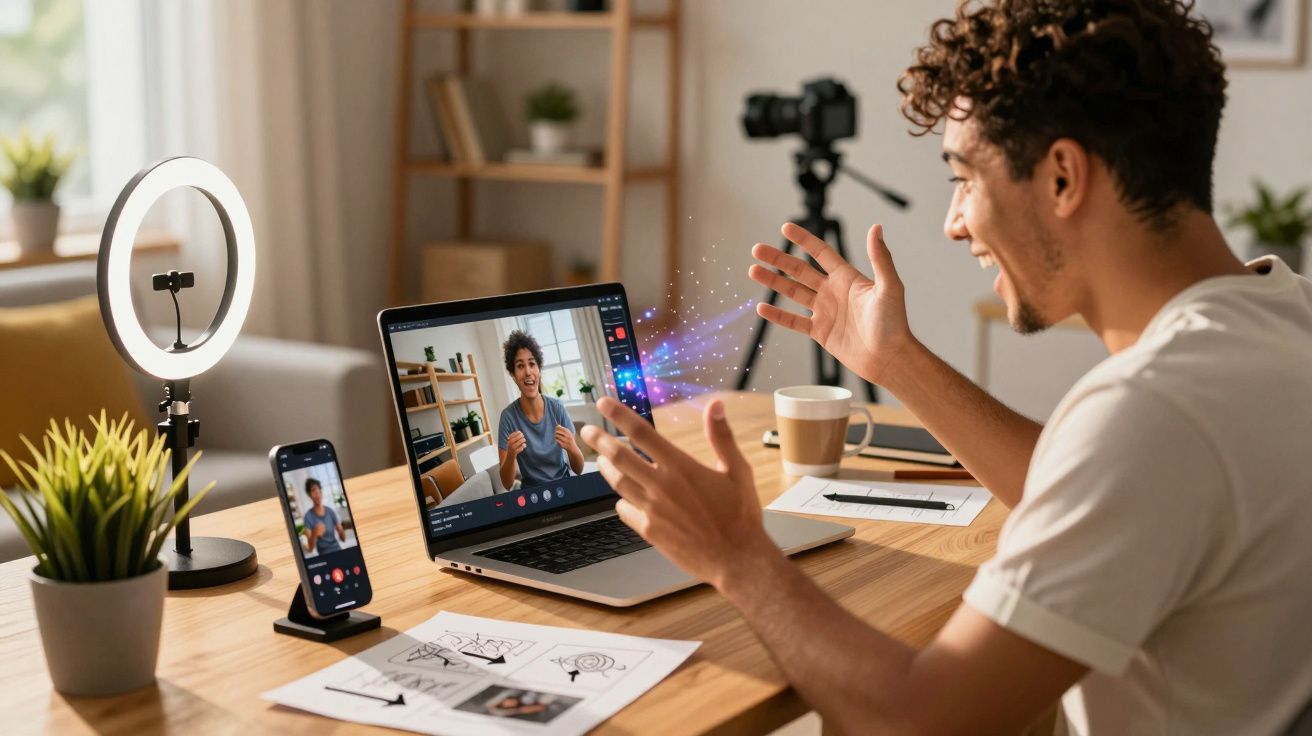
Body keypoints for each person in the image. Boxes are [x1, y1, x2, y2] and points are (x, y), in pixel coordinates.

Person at [579, 1, 1312, 733]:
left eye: (964, 178)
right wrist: (890, 359)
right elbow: (1105, 487)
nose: (953, 221)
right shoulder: (1282, 315)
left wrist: (737, 555)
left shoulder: (1156, 410)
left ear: (1062, 176)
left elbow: (919, 719)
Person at [498, 330, 584, 491]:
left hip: (564, 487)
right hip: (533, 495)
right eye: (520, 366)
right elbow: (507, 483)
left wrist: (572, 446)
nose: (528, 372)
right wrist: (511, 455)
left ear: (539, 369)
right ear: (513, 374)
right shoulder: (508, 417)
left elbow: (578, 469)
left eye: (532, 364)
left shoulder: (557, 408)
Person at [302, 478, 346, 556]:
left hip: (338, 550)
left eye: (319, 490)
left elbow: (343, 539)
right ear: (309, 495)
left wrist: (341, 530)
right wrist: (314, 533)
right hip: (324, 556)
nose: (317, 493)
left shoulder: (330, 511)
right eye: (313, 490)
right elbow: (310, 549)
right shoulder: (308, 517)